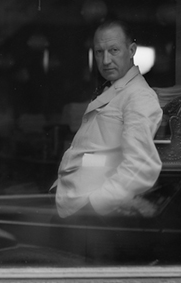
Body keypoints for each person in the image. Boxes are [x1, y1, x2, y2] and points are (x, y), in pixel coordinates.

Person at [52, 19, 163, 232]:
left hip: (89, 215)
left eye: (113, 50)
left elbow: (142, 165)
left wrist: (97, 204)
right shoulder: (114, 88)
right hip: (72, 204)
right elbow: (100, 153)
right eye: (99, 52)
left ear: (131, 50)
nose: (105, 60)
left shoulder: (138, 96)